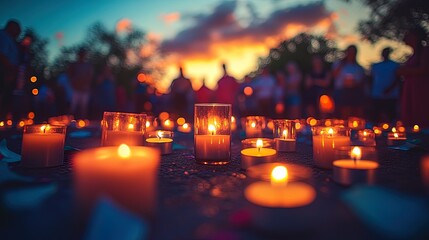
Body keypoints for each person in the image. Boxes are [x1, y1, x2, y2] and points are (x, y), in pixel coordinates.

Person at [396, 27, 429, 127]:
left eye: (409, 35)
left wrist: (405, 71)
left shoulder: (425, 51)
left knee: (420, 112)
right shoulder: (413, 54)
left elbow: (424, 69)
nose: (405, 38)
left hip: (420, 89)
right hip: (410, 88)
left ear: (417, 37)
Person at [332, 45, 366, 119]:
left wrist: (353, 83)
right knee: (343, 110)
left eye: (353, 52)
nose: (351, 54)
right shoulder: (338, 64)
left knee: (356, 110)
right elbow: (333, 75)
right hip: (341, 91)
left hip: (354, 91)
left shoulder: (358, 68)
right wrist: (342, 64)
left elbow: (361, 81)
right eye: (349, 52)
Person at [369, 47, 400, 123]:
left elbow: (398, 79)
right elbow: (371, 79)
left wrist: (390, 88)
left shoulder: (395, 65)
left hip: (391, 95)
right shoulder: (375, 66)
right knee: (376, 114)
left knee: (391, 114)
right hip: (377, 94)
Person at [0, 20, 21, 119]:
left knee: (7, 98)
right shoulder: (3, 36)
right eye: (17, 29)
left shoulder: (11, 40)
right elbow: (2, 54)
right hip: (4, 72)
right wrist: (10, 70)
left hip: (9, 73)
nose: (19, 32)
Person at [68, 47, 94, 119]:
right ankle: (70, 122)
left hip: (85, 89)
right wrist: (73, 83)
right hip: (76, 89)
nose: (82, 56)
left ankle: (82, 123)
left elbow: (90, 76)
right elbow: (70, 75)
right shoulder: (74, 65)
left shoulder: (88, 65)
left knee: (84, 107)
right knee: (73, 106)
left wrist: (86, 83)